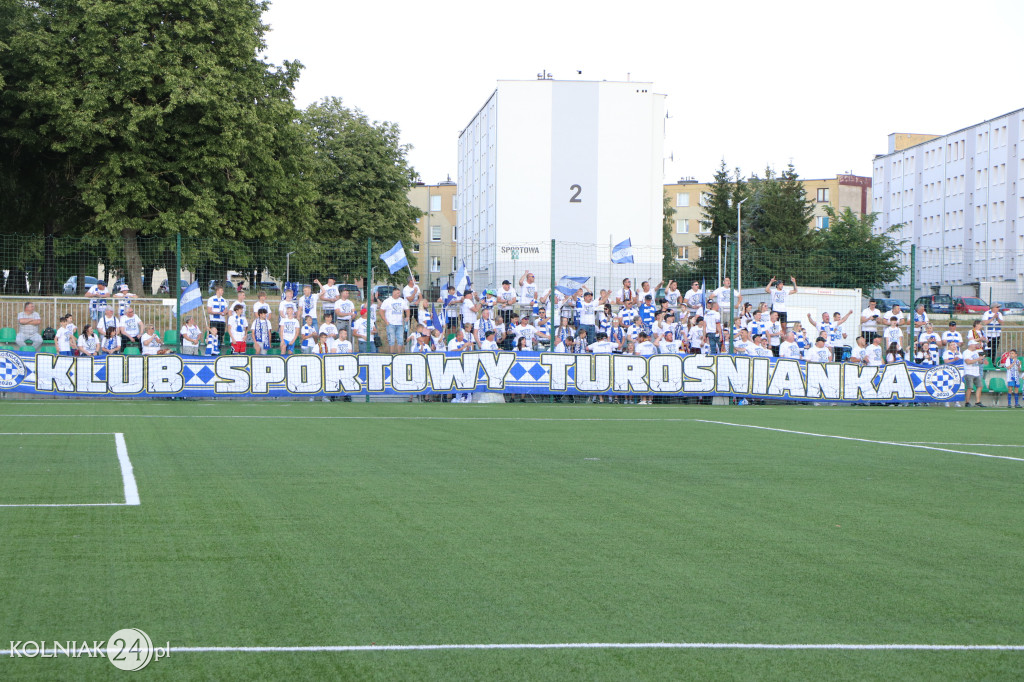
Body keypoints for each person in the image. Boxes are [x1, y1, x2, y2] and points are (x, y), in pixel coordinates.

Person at [379, 287, 410, 353]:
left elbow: (407, 309)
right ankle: (392, 354)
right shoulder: (387, 301)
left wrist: (407, 316)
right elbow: (381, 311)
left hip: (399, 324)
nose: (399, 294)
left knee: (400, 340)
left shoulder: (402, 301)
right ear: (393, 293)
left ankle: (399, 354)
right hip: (390, 323)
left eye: (399, 293)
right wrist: (385, 320)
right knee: (391, 340)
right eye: (397, 293)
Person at [961, 340, 985, 408]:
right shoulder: (966, 352)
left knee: (979, 386)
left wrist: (981, 361)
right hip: (969, 372)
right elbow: (968, 362)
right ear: (970, 345)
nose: (976, 346)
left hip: (976, 372)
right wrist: (978, 359)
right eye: (974, 344)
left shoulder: (975, 352)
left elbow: (978, 361)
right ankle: (967, 402)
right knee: (969, 387)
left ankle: (978, 401)